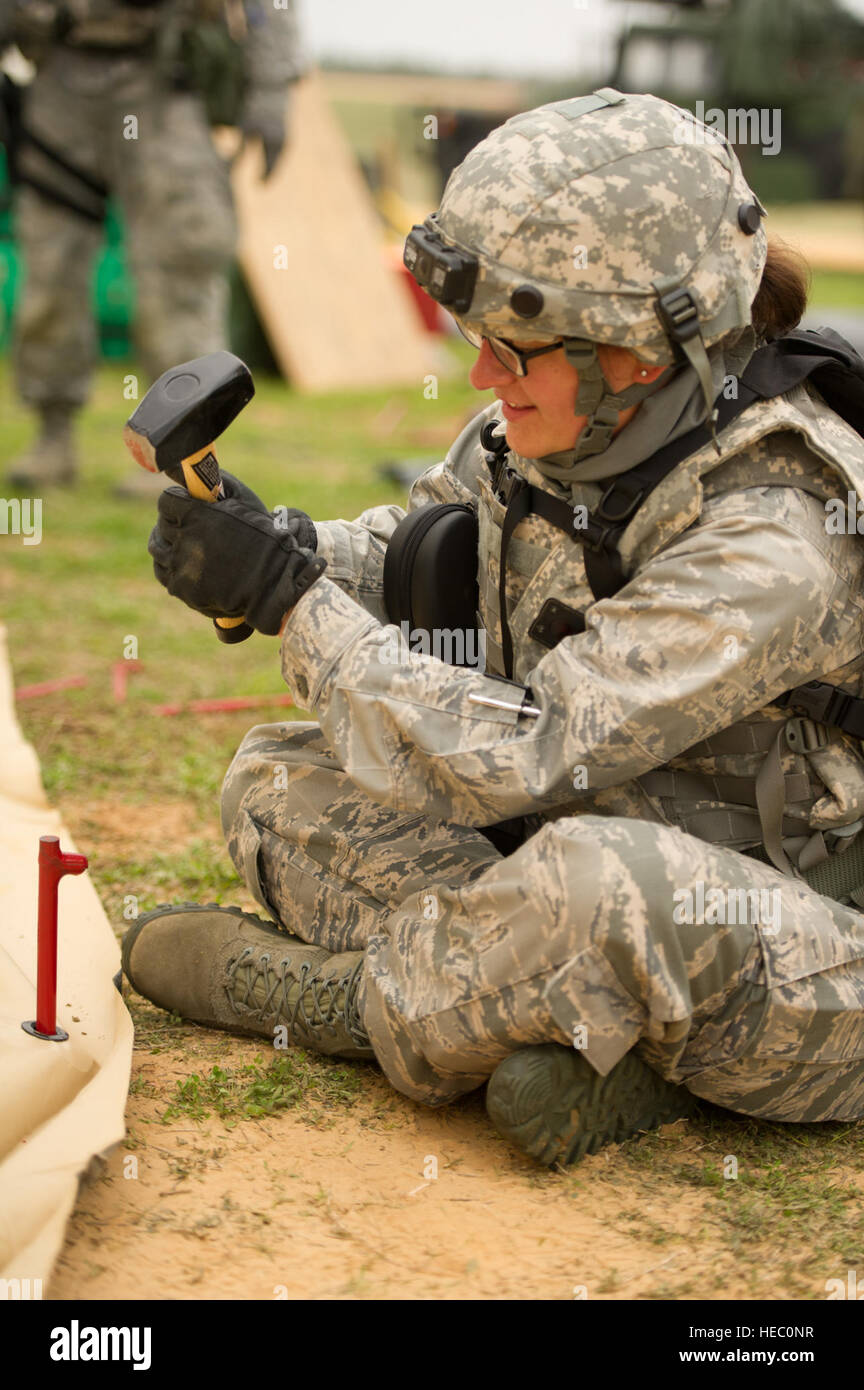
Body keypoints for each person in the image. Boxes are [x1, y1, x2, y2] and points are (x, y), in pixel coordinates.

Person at [123, 90, 864, 1167]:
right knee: (277, 779)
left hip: (802, 942)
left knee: (593, 891)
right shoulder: (547, 435)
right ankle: (566, 1028)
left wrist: (291, 606)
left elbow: (529, 751)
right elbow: (427, 553)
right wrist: (284, 548)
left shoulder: (775, 529)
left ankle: (350, 1005)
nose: (483, 374)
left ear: (637, 354)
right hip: (587, 848)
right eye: (478, 339)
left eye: (516, 348)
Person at [0, 0, 305, 490]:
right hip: (59, 74)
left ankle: (180, 446)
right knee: (48, 258)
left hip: (165, 74)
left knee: (184, 255)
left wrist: (271, 89)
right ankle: (50, 436)